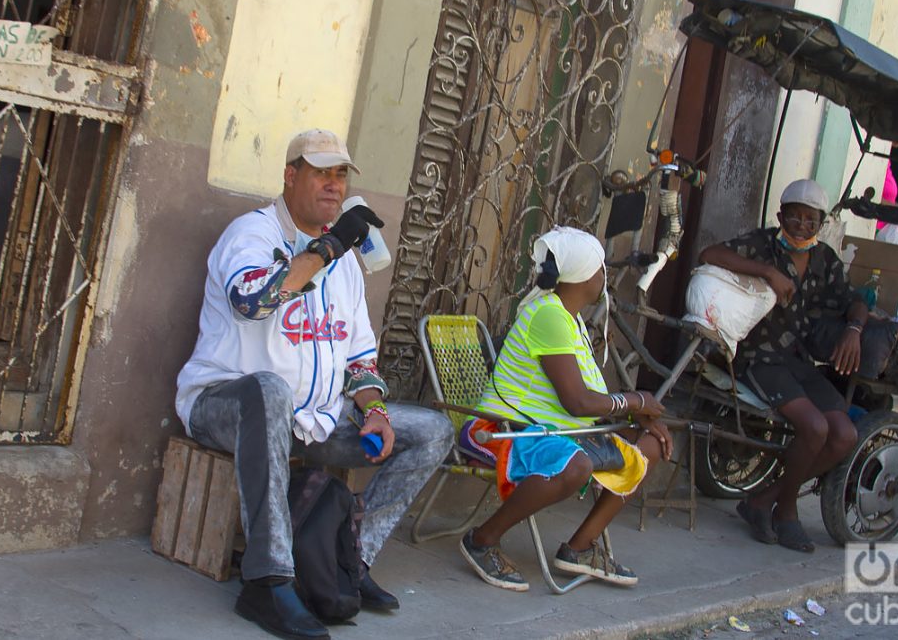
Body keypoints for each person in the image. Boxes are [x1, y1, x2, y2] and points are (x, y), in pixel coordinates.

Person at [176, 128, 454, 639]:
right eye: (320, 172)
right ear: (289, 175)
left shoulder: (346, 261)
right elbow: (251, 301)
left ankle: (352, 562)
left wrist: (374, 409)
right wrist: (328, 247)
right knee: (270, 391)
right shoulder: (252, 234)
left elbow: (360, 356)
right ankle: (267, 580)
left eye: (340, 175)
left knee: (433, 430)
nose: (333, 185)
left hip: (315, 418)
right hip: (227, 407)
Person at [457, 226, 672, 592]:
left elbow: (588, 403)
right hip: (501, 429)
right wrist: (636, 400)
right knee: (575, 465)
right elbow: (577, 402)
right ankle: (482, 540)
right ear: (586, 274)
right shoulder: (548, 316)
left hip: (555, 431)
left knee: (646, 446)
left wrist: (641, 417)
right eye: (602, 269)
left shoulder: (570, 319)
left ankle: (579, 549)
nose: (604, 278)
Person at [699, 179, 865, 553]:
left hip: (797, 361)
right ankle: (786, 512)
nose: (802, 227)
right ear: (781, 217)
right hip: (759, 357)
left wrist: (854, 329)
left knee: (844, 434)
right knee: (815, 427)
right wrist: (767, 272)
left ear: (821, 224)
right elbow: (709, 254)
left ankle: (762, 501)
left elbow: (855, 300)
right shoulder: (764, 244)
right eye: (795, 218)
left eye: (811, 220)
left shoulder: (824, 259)